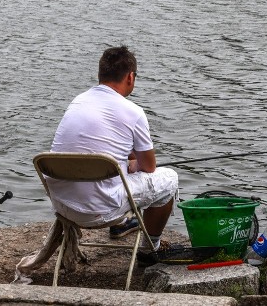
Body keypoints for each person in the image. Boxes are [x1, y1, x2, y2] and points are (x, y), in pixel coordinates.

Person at [47, 46, 179, 255]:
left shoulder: (78, 101)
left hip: (63, 205)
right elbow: (149, 167)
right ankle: (150, 248)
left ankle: (125, 222)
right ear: (130, 77)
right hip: (100, 211)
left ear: (101, 75)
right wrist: (133, 163)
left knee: (114, 166)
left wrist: (128, 160)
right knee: (169, 179)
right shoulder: (133, 112)